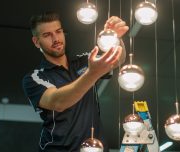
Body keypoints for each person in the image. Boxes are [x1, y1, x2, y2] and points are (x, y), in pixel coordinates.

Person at [22, 11, 129, 152]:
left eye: (58, 32)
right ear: (36, 42)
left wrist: (115, 38)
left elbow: (117, 60)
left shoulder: (84, 61)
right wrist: (92, 74)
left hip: (95, 147)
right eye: (47, 35)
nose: (56, 39)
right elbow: (58, 102)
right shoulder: (34, 78)